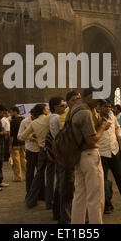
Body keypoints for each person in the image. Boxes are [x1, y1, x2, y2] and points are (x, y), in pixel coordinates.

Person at [69, 88, 110, 224]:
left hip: (77, 156)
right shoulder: (85, 113)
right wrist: (103, 127)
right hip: (89, 155)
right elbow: (91, 140)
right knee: (96, 197)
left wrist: (98, 124)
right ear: (90, 96)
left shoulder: (74, 110)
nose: (98, 104)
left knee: (80, 195)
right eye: (97, 100)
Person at [53, 91, 80, 224]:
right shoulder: (64, 117)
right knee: (66, 188)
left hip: (67, 156)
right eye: (74, 100)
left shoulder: (73, 114)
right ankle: (64, 219)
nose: (77, 102)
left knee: (63, 186)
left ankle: (59, 214)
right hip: (67, 156)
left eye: (79, 99)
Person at [20, 103, 51, 208]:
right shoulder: (49, 119)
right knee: (50, 176)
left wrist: (33, 137)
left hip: (41, 150)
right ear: (43, 110)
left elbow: (22, 136)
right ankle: (49, 201)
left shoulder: (34, 123)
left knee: (38, 175)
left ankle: (31, 199)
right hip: (50, 150)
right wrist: (33, 138)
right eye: (46, 108)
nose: (47, 110)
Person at [18, 109, 43, 197]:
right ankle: (29, 193)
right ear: (32, 114)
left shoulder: (41, 121)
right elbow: (20, 136)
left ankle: (41, 193)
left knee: (41, 173)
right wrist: (31, 137)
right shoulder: (24, 122)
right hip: (31, 149)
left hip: (41, 149)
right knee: (30, 173)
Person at [47, 97, 66, 213]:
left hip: (58, 151)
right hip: (61, 151)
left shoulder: (53, 117)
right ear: (55, 107)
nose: (65, 107)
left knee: (59, 180)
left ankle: (56, 209)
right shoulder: (57, 118)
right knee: (61, 181)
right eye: (62, 105)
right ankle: (58, 210)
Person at [9, 107, 27, 182]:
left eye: (11, 112)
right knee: (24, 159)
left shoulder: (13, 121)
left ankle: (18, 177)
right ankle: (27, 175)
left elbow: (12, 135)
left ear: (15, 112)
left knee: (16, 161)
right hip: (23, 142)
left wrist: (10, 145)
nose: (11, 114)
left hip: (15, 143)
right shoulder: (24, 119)